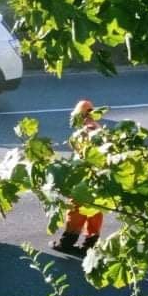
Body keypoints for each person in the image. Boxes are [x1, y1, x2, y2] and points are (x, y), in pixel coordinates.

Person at [51, 99, 104, 255]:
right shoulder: (97, 128)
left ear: (79, 115)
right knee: (95, 210)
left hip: (85, 176)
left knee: (75, 209)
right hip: (98, 177)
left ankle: (67, 242)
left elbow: (82, 156)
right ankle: (91, 244)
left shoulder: (86, 131)